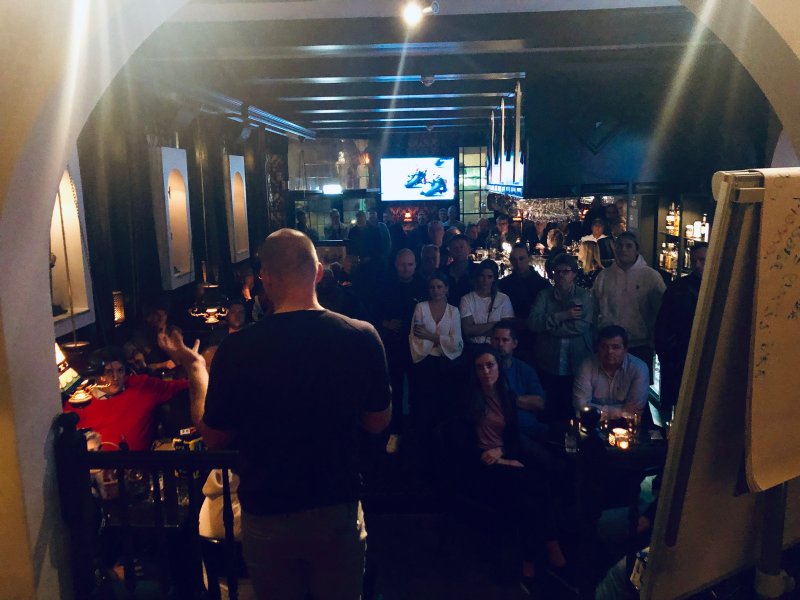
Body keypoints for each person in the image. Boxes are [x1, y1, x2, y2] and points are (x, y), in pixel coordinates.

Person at [159, 229, 391, 600]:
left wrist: (196, 369)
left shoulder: (238, 348)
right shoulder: (361, 336)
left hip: (267, 510)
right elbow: (378, 422)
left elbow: (214, 437)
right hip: (336, 505)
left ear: (265, 279)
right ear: (318, 272)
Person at [464, 345, 569, 595]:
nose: (486, 371)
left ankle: (532, 562)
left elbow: (511, 438)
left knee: (535, 494)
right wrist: (500, 459)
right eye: (480, 367)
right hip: (482, 465)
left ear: (499, 367)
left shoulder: (507, 396)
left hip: (504, 459)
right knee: (533, 492)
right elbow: (464, 446)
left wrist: (503, 453)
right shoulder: (468, 399)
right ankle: (551, 552)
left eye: (490, 365)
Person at [63, 346, 189, 451]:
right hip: (96, 468)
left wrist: (190, 361)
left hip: (138, 466)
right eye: (108, 372)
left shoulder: (142, 385)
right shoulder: (78, 402)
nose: (116, 377)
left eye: (120, 370)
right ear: (96, 375)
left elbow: (183, 385)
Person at [528, 253, 593, 423]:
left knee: (574, 406)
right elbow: (533, 323)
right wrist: (563, 316)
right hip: (549, 360)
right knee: (551, 406)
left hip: (577, 360)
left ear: (574, 273)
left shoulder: (584, 296)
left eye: (565, 271)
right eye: (557, 272)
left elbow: (581, 326)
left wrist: (550, 327)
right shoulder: (544, 295)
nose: (561, 275)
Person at [409, 272, 464, 470]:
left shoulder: (454, 311)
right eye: (432, 287)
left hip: (446, 366)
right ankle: (422, 451)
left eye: (440, 286)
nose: (436, 290)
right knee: (424, 407)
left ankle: (444, 449)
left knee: (444, 405)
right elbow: (416, 337)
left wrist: (431, 337)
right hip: (425, 364)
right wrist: (442, 340)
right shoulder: (421, 307)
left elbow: (456, 342)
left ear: (447, 289)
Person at [374, 249, 427, 454]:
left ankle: (417, 431)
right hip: (393, 344)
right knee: (394, 389)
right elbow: (373, 310)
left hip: (417, 344)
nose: (406, 268)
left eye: (410, 264)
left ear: (415, 265)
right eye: (402, 264)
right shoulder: (385, 285)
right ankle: (395, 430)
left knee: (418, 389)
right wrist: (386, 323)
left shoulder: (423, 285)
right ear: (396, 265)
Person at [593, 231, 666, 379]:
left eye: (628, 246)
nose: (623, 250)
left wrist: (654, 340)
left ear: (636, 249)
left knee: (638, 389)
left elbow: (661, 312)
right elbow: (594, 309)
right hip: (608, 345)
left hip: (639, 345)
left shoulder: (651, 277)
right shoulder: (604, 276)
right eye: (619, 245)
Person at [654, 242, 708, 422]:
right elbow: (663, 323)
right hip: (678, 356)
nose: (697, 265)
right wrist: (666, 353)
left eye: (702, 260)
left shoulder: (720, 287)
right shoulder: (678, 288)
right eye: (694, 261)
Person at [573, 325, 649, 419]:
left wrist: (596, 410)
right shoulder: (587, 365)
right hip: (592, 421)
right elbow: (580, 405)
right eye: (604, 346)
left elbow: (635, 409)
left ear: (625, 350)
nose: (609, 351)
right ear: (598, 348)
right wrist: (620, 412)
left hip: (627, 423)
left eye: (615, 347)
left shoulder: (639, 368)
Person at [490, 323, 548, 443]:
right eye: (496, 339)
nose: (500, 344)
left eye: (505, 340)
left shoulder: (525, 370)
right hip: (499, 432)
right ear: (491, 341)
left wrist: (510, 400)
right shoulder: (485, 369)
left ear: (514, 343)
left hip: (530, 429)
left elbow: (540, 403)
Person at [498, 243, 550, 364]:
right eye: (514, 259)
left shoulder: (542, 284)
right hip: (510, 336)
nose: (518, 263)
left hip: (535, 338)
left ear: (529, 258)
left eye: (521, 258)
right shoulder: (503, 284)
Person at [460, 259, 514, 346]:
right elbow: (467, 330)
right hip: (474, 347)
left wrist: (476, 330)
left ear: (494, 279)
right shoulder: (467, 299)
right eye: (482, 276)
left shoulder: (503, 299)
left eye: (489, 277)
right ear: (477, 277)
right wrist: (495, 324)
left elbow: (507, 328)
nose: (485, 280)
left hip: (497, 347)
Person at [442, 234, 477, 308]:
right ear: (450, 251)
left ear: (469, 249)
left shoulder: (478, 271)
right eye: (455, 248)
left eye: (461, 247)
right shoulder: (443, 272)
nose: (458, 250)